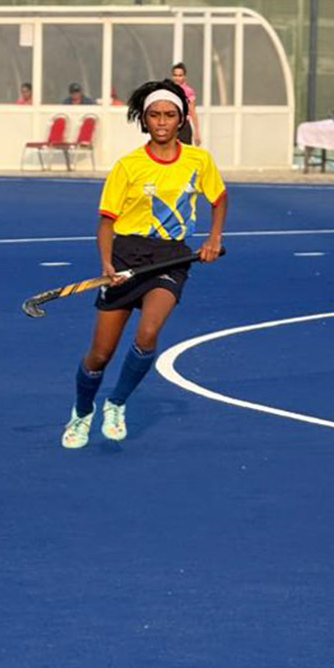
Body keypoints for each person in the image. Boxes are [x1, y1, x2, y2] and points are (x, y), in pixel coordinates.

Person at [62, 78, 227, 448]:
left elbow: (220, 199)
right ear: (145, 119)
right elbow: (106, 222)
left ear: (181, 118)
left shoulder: (199, 161)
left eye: (170, 115)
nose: (163, 122)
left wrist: (214, 238)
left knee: (148, 333)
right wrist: (106, 264)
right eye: (155, 115)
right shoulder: (128, 166)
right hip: (125, 256)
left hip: (172, 258)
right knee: (99, 355)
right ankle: (82, 410)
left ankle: (117, 403)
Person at [169, 61, 201, 144]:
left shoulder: (188, 92)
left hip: (184, 126)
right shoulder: (168, 91)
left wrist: (197, 132)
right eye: (175, 75)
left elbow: (192, 112)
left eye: (180, 75)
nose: (177, 78)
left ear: (184, 76)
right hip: (171, 126)